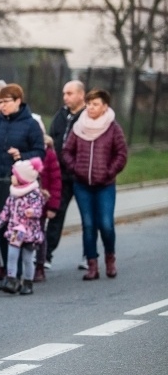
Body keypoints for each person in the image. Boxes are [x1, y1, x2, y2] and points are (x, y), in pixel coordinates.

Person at [0, 83, 45, 282]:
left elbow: (40, 152)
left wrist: (22, 155)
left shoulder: (30, 124)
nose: (1, 106)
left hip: (18, 185)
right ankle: (9, 271)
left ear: (17, 101)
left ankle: (18, 274)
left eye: (6, 102)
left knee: (14, 229)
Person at [61, 89, 127, 280]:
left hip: (105, 185)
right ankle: (92, 265)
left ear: (105, 106)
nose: (91, 108)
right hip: (82, 185)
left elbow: (121, 154)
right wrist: (76, 168)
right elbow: (66, 151)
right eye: (89, 104)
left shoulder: (113, 128)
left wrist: (109, 171)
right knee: (88, 225)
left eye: (95, 104)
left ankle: (110, 258)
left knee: (106, 224)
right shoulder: (79, 126)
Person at [0, 158, 45, 295]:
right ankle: (11, 280)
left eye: (14, 175)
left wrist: (33, 212)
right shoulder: (13, 194)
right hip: (15, 231)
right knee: (12, 255)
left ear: (23, 178)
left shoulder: (34, 193)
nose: (12, 177)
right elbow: (5, 213)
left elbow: (39, 209)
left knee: (27, 258)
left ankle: (28, 282)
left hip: (29, 232)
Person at [46, 80, 86, 269]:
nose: (65, 97)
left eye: (69, 93)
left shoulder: (88, 115)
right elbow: (53, 137)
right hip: (61, 174)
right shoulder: (61, 115)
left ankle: (90, 256)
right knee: (55, 213)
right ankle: (46, 255)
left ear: (81, 94)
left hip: (83, 176)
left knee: (88, 217)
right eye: (64, 93)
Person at [34, 122, 62, 282]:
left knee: (39, 235)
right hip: (24, 202)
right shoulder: (26, 152)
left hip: (43, 202)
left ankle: (39, 266)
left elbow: (56, 181)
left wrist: (53, 206)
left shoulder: (49, 153)